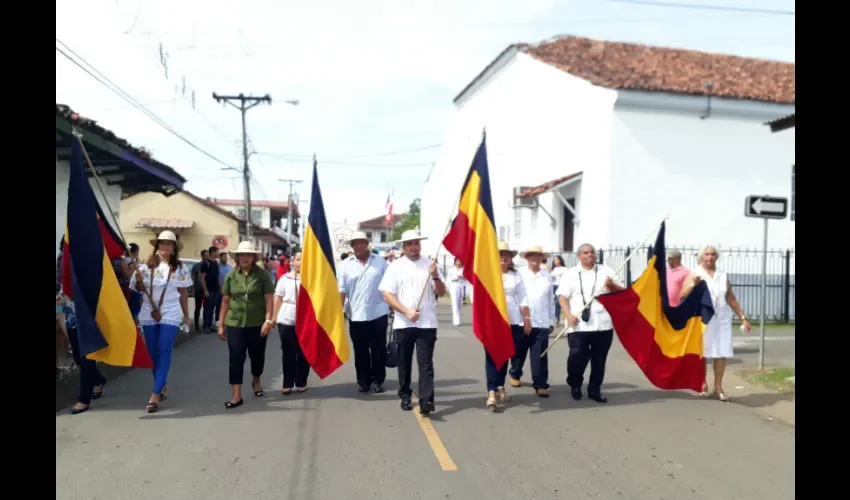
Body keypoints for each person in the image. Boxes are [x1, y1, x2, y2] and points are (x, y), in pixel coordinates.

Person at [379, 230, 446, 415]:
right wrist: (405, 311)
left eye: (416, 243)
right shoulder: (395, 266)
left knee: (425, 363)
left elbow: (440, 292)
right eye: (409, 244)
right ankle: (405, 394)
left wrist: (435, 276)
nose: (413, 246)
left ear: (420, 245)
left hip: (427, 323)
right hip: (404, 322)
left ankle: (427, 400)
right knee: (404, 361)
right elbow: (387, 295)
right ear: (404, 246)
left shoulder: (430, 265)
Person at [131, 230, 192, 413]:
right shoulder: (144, 267)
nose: (165, 247)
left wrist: (186, 316)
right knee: (152, 353)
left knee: (164, 349)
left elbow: (183, 292)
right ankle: (161, 383)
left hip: (171, 311)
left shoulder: (180, 268)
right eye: (162, 243)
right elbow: (138, 289)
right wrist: (140, 281)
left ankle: (155, 394)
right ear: (157, 246)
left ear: (174, 248)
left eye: (169, 244)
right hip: (149, 311)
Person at [680, 245, 751, 401]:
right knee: (702, 352)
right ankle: (702, 383)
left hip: (722, 318)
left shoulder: (722, 275)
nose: (710, 257)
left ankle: (718, 387)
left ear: (716, 257)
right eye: (707, 254)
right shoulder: (695, 274)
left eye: (713, 254)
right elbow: (682, 295)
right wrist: (694, 285)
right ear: (701, 257)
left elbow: (730, 298)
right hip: (703, 319)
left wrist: (743, 318)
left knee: (722, 352)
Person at [557, 243, 624, 404]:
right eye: (586, 252)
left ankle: (594, 389)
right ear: (579, 256)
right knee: (577, 356)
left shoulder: (606, 271)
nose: (590, 255)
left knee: (599, 359)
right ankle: (575, 383)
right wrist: (568, 314)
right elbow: (562, 296)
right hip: (579, 323)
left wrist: (611, 285)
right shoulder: (570, 273)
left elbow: (623, 291)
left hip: (603, 323)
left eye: (592, 252)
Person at [219, 241, 275, 409]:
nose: (244, 258)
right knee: (236, 358)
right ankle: (236, 396)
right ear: (237, 258)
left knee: (257, 356)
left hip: (257, 322)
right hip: (235, 322)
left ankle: (256, 379)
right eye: (241, 255)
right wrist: (221, 323)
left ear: (253, 257)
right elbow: (225, 301)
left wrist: (268, 320)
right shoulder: (231, 276)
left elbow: (269, 299)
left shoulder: (262, 275)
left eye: (248, 255)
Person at [339, 231, 390, 393]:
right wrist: (340, 312)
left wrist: (394, 307)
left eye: (362, 242)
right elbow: (341, 290)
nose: (359, 246)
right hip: (356, 313)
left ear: (367, 244)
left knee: (378, 349)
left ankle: (378, 380)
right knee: (360, 350)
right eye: (355, 243)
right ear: (352, 246)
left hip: (378, 312)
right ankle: (363, 380)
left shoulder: (381, 262)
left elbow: (389, 286)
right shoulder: (345, 265)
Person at [485, 242, 530, 409]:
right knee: (491, 355)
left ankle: (500, 386)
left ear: (511, 257)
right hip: (493, 320)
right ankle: (491, 390)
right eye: (500, 253)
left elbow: (523, 298)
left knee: (505, 354)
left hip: (512, 320)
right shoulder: (487, 274)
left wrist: (527, 318)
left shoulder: (516, 275)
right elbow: (477, 297)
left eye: (507, 254)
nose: (503, 257)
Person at [510, 245, 556, 397]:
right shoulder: (519, 274)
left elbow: (551, 300)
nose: (534, 259)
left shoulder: (547, 276)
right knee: (519, 351)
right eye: (531, 256)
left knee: (540, 354)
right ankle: (515, 373)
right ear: (527, 258)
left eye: (538, 256)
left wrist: (551, 320)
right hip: (521, 320)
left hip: (541, 322)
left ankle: (540, 383)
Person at [272, 252, 311, 394]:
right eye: (298, 259)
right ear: (293, 262)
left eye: (304, 260)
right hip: (287, 318)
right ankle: (287, 382)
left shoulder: (311, 279)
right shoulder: (285, 278)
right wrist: (273, 317)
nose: (301, 262)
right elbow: (278, 297)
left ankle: (301, 381)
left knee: (304, 353)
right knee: (288, 352)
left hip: (306, 320)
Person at [200, 246, 221, 333]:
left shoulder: (216, 263)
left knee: (212, 307)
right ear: (212, 252)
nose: (218, 253)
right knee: (207, 308)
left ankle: (210, 325)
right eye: (217, 252)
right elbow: (202, 277)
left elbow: (217, 276)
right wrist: (205, 290)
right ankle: (205, 326)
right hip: (208, 289)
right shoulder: (206, 263)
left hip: (215, 289)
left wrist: (221, 287)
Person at [191, 249, 209, 331]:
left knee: (207, 307)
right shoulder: (197, 265)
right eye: (205, 255)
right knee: (198, 307)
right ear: (202, 256)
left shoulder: (210, 265)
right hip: (198, 289)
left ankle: (206, 325)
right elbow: (193, 277)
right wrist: (193, 288)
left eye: (208, 255)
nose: (207, 257)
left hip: (208, 290)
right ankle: (196, 325)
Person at [447, 258, 468, 326]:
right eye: (457, 261)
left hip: (461, 285)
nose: (458, 263)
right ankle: (456, 320)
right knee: (454, 303)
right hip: (454, 285)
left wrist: (463, 277)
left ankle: (458, 317)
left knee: (459, 303)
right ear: (455, 262)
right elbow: (448, 279)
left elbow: (467, 279)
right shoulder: (451, 270)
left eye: (460, 261)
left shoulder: (463, 270)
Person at [550, 255, 567, 325]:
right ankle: (555, 317)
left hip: (560, 286)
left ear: (560, 260)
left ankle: (557, 317)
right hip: (553, 286)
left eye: (557, 260)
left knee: (558, 302)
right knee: (554, 303)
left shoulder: (564, 269)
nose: (556, 261)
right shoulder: (553, 269)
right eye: (554, 260)